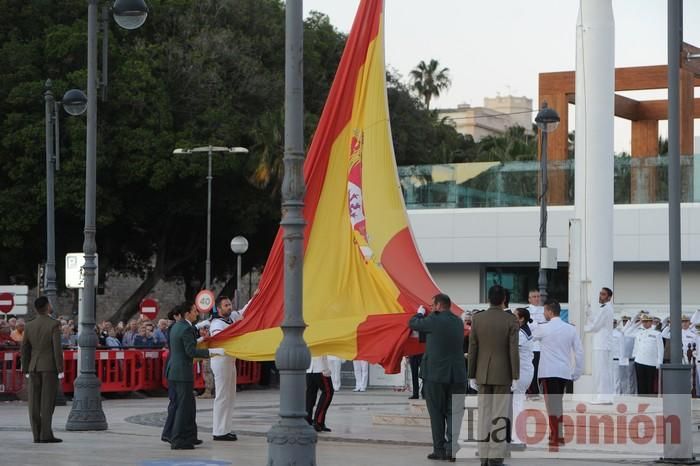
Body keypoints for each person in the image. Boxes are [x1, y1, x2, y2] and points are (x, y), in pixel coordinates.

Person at [410, 293, 467, 462]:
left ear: (439, 306)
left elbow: (413, 323)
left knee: (436, 413)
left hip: (435, 375)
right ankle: (452, 449)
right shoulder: (458, 321)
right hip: (457, 375)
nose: (431, 307)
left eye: (432, 305)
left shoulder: (433, 321)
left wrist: (420, 313)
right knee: (454, 413)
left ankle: (439, 449)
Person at [468, 285, 519, 466]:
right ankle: (495, 457)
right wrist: (515, 375)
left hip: (482, 373)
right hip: (503, 373)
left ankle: (483, 455)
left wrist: (471, 374)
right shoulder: (510, 320)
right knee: (499, 415)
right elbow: (513, 350)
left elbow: (472, 348)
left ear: (488, 298)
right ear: (504, 298)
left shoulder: (477, 318)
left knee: (484, 414)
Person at [165, 302, 225, 449]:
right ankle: (178, 440)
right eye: (194, 311)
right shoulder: (187, 328)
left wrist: (200, 340)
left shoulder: (176, 326)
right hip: (182, 372)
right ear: (187, 313)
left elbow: (182, 346)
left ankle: (190, 436)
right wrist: (212, 352)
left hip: (174, 370)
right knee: (183, 407)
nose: (196, 313)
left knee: (188, 405)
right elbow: (190, 352)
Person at [532, 299, 584, 449]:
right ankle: (557, 433)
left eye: (544, 311)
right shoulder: (570, 329)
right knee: (557, 404)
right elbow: (579, 352)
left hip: (548, 372)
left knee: (551, 405)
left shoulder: (544, 328)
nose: (543, 314)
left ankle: (556, 436)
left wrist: (533, 322)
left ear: (549, 311)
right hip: (563, 372)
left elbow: (531, 335)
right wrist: (577, 372)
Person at [20, 296, 64, 443]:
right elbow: (57, 349)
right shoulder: (54, 324)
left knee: (33, 402)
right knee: (47, 401)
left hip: (33, 366)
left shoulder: (29, 325)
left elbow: (24, 349)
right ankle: (46, 434)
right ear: (47, 306)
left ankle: (36, 434)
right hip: (49, 367)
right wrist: (60, 368)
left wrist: (25, 367)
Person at [209, 295, 243, 441]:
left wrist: (256, 296)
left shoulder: (232, 318)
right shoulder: (216, 323)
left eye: (230, 304)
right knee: (222, 395)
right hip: (220, 360)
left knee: (230, 396)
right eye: (226, 305)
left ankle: (226, 428)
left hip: (230, 359)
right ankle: (218, 430)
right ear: (219, 308)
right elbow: (220, 338)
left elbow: (247, 309)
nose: (229, 307)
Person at [584, 287, 615, 404]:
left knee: (601, 371)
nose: (600, 296)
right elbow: (597, 321)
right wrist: (589, 313)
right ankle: (604, 396)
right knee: (602, 371)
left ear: (609, 297)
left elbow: (595, 326)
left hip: (602, 344)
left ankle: (603, 397)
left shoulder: (606, 309)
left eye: (603, 294)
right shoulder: (605, 309)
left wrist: (583, 328)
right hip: (601, 344)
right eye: (600, 293)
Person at [511, 307, 534, 448]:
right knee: (517, 403)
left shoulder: (520, 333)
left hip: (522, 372)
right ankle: (518, 436)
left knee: (517, 404)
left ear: (521, 319)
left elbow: (511, 349)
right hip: (525, 371)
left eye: (515, 316)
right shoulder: (525, 330)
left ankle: (518, 438)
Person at [161, 305, 183, 444]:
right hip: (174, 368)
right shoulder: (175, 328)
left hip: (173, 367)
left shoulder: (175, 328)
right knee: (174, 402)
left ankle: (175, 431)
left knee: (177, 402)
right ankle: (168, 432)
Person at [632, 314, 663, 396]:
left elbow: (660, 349)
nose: (645, 323)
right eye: (643, 321)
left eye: (647, 321)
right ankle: (641, 399)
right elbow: (636, 346)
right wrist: (635, 357)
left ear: (651, 322)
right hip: (639, 361)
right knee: (640, 383)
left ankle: (650, 400)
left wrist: (659, 362)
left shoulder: (657, 334)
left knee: (650, 383)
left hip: (651, 362)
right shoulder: (639, 333)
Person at [306, 355, 334, 432]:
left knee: (310, 395)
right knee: (328, 393)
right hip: (320, 368)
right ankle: (318, 421)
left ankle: (307, 420)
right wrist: (325, 369)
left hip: (309, 369)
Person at [526, 289, 544, 399]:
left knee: (540, 370)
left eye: (538, 296)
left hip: (542, 346)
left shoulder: (544, 310)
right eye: (534, 296)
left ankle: (538, 390)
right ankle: (532, 391)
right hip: (531, 345)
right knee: (532, 369)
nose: (537, 299)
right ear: (529, 299)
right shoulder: (526, 311)